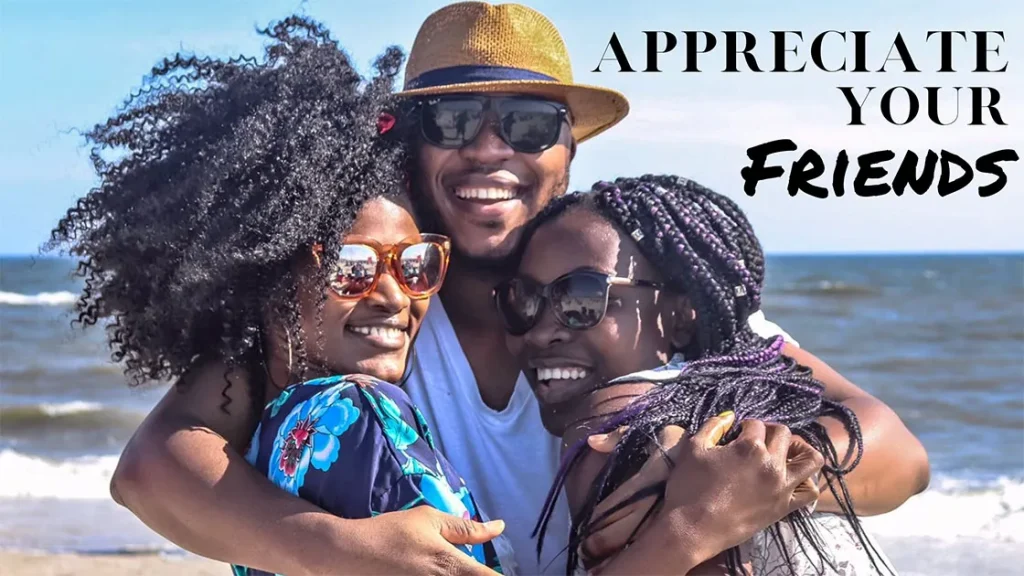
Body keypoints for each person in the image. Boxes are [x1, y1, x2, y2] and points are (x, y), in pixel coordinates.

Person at [104, 3, 929, 575]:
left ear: (569, 151)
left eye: (530, 123)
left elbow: (893, 449)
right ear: (407, 143)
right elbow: (155, 468)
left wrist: (737, 482)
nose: (489, 150)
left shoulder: (637, 296)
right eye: (454, 122)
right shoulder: (368, 304)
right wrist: (335, 550)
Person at [500, 175, 899, 574]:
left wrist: (746, 474)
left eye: (583, 296)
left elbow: (902, 453)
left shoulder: (619, 420)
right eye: (525, 300)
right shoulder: (745, 383)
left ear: (683, 314)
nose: (542, 329)